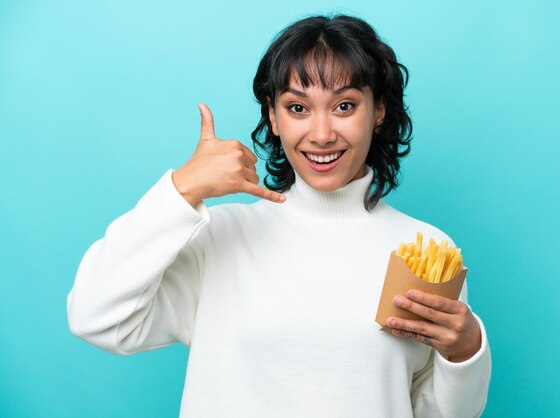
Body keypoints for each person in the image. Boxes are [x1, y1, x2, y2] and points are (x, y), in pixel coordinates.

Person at [67, 14, 491, 417]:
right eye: (298, 108)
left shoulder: (426, 252)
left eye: (345, 106)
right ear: (272, 115)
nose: (321, 134)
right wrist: (182, 190)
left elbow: (429, 411)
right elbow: (95, 317)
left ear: (379, 111)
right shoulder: (220, 237)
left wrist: (466, 352)